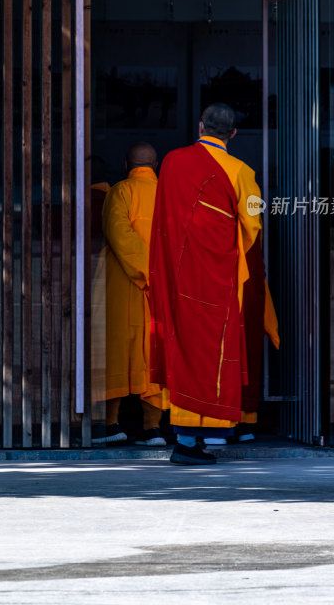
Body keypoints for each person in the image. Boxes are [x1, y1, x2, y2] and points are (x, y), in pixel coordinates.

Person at [149, 103, 279, 465]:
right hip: (219, 277)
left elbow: (166, 217)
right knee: (214, 353)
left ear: (201, 125)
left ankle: (189, 439)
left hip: (179, 273)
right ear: (233, 134)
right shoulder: (242, 171)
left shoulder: (172, 162)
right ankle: (191, 443)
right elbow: (253, 227)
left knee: (186, 347)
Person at [92, 142, 167, 446]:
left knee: (115, 352)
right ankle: (153, 429)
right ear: (156, 164)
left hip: (124, 282)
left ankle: (110, 426)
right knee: (154, 354)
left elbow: (119, 233)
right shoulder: (170, 194)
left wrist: (142, 272)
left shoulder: (120, 192)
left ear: (125, 165)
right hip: (160, 285)